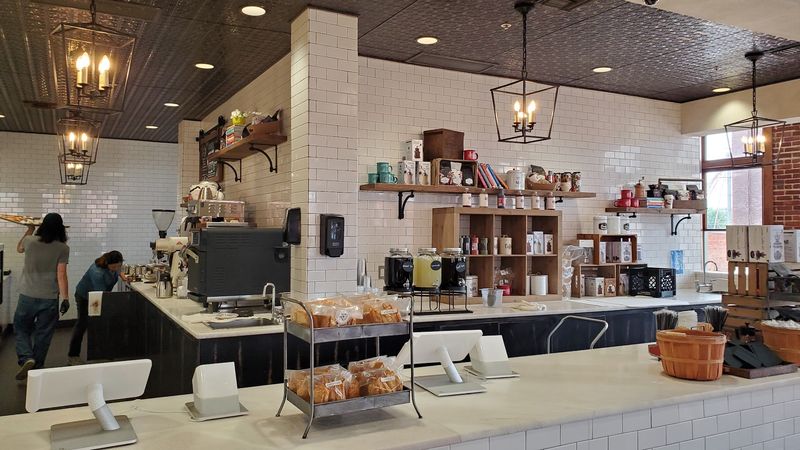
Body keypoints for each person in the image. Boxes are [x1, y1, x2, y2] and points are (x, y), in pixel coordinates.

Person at [14, 213, 70, 380]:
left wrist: (30, 229)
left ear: (42, 226)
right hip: (49, 298)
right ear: (61, 229)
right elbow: (61, 275)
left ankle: (26, 357)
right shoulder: (63, 247)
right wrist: (65, 298)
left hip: (27, 295)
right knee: (44, 334)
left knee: (21, 328)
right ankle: (37, 368)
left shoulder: (30, 241)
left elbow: (19, 248)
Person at [68, 250, 125, 365]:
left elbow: (118, 269)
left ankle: (102, 352)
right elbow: (100, 294)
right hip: (85, 297)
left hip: (98, 295)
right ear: (108, 264)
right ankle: (73, 355)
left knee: (102, 321)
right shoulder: (97, 272)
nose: (116, 268)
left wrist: (122, 275)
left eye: (119, 266)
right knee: (82, 324)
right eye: (114, 266)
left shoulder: (114, 265)